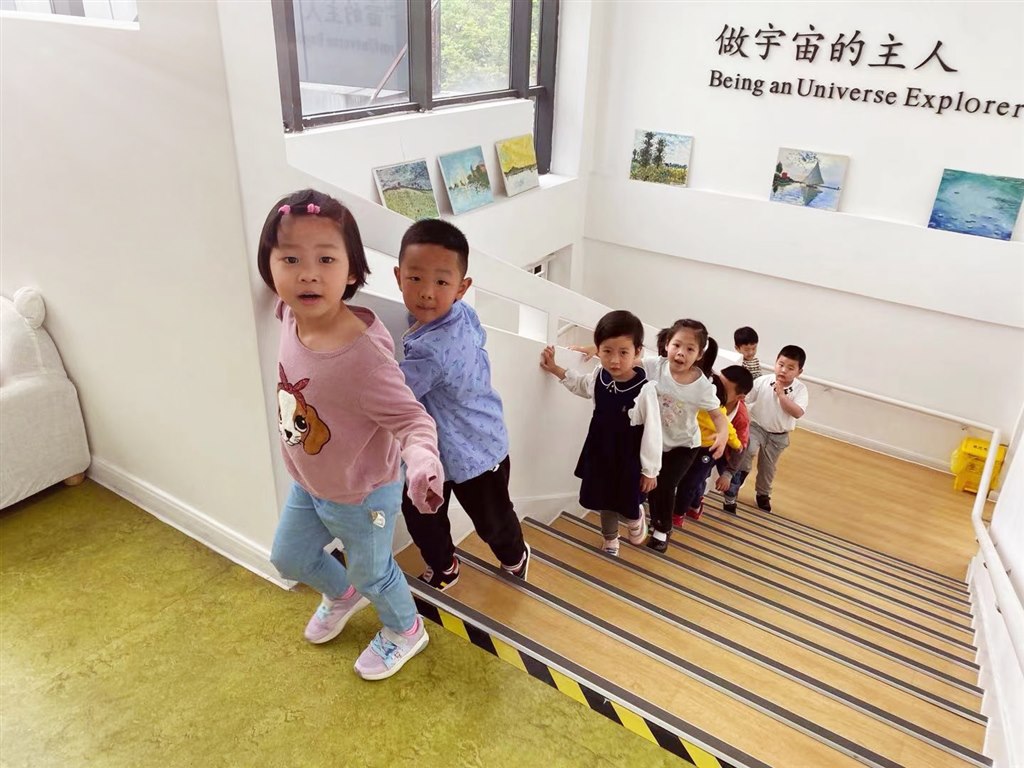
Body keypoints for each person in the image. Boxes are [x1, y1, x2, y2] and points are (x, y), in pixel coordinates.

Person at [260, 189, 442, 681]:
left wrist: (423, 460)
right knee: (288, 557)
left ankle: (406, 630)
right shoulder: (289, 313)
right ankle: (343, 595)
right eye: (291, 259)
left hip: (364, 495)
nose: (308, 274)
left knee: (372, 572)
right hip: (310, 482)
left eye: (325, 259)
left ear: (352, 272)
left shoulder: (364, 359)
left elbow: (412, 420)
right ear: (270, 269)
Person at [394, 219, 530, 591]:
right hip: (436, 452)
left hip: (478, 455)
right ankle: (444, 565)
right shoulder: (463, 312)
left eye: (441, 282)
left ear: (461, 287)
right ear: (398, 276)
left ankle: (515, 557)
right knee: (420, 513)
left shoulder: (431, 350)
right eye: (415, 278)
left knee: (492, 522)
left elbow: (394, 394)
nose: (426, 293)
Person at [539, 311, 662, 556]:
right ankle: (610, 539)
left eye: (623, 352)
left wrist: (650, 470)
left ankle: (635, 516)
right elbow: (581, 385)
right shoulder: (599, 376)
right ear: (598, 350)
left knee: (627, 498)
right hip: (599, 450)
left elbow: (653, 433)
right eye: (607, 351)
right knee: (603, 498)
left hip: (627, 456)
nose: (614, 360)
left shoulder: (645, 390)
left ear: (637, 352)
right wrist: (555, 369)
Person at [642, 320, 730, 552]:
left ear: (699, 354)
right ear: (667, 345)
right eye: (677, 345)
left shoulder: (702, 386)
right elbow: (628, 361)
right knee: (651, 481)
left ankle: (662, 529)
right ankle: (651, 518)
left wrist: (722, 435)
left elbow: (718, 415)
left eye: (690, 349)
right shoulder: (655, 366)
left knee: (665, 484)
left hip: (685, 445)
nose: (681, 352)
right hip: (656, 441)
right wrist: (594, 350)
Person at [723, 345, 808, 513]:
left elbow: (798, 412)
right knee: (746, 453)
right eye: (781, 364)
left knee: (767, 468)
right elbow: (745, 399)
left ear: (799, 372)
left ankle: (763, 493)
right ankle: (736, 483)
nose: (783, 370)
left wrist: (781, 395)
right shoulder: (763, 381)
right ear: (775, 363)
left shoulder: (800, 389)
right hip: (756, 426)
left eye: (790, 368)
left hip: (778, 434)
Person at [673, 364, 752, 524]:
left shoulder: (740, 417)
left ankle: (682, 511)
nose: (715, 389)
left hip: (713, 451)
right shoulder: (704, 396)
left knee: (693, 481)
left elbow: (740, 447)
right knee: (691, 479)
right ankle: (693, 504)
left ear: (739, 397)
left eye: (723, 389)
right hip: (689, 444)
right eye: (715, 383)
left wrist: (728, 474)